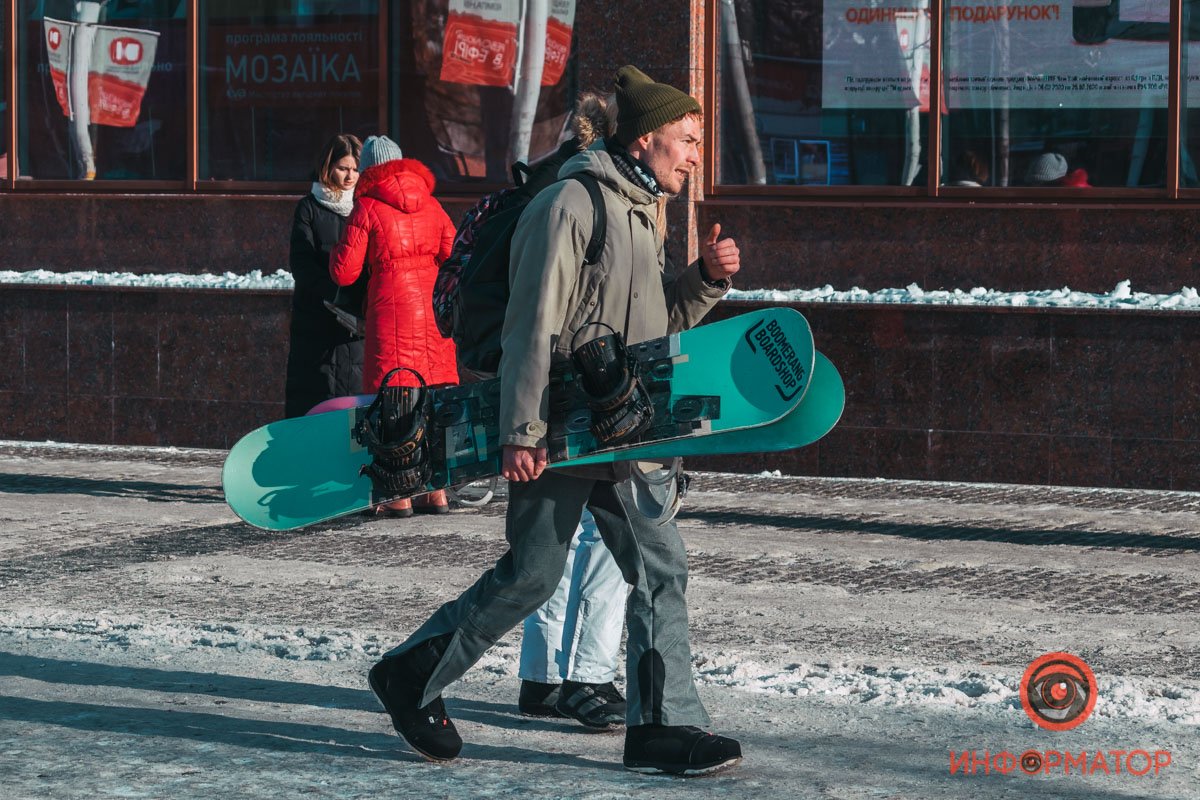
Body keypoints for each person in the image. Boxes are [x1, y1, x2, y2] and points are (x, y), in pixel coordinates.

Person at [368, 65, 744, 776]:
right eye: (688, 139)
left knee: (659, 566)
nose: (696, 154)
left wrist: (703, 282)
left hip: (620, 430)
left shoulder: (639, 210)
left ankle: (663, 727)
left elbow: (652, 330)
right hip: (562, 430)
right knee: (534, 574)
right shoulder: (572, 203)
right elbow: (532, 324)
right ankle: (409, 676)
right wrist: (522, 431)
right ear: (645, 140)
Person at [328, 135, 458, 517]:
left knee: (395, 403)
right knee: (432, 400)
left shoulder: (366, 206)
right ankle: (436, 493)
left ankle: (397, 496)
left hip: (391, 312)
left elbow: (344, 271)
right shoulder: (433, 205)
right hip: (433, 311)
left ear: (368, 169)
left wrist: (339, 246)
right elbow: (455, 255)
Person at [284, 134, 365, 419]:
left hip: (353, 330)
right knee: (312, 402)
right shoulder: (309, 207)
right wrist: (335, 296)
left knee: (351, 409)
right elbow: (302, 264)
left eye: (355, 169)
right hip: (316, 322)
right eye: (343, 168)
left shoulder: (364, 208)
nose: (349, 176)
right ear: (328, 166)